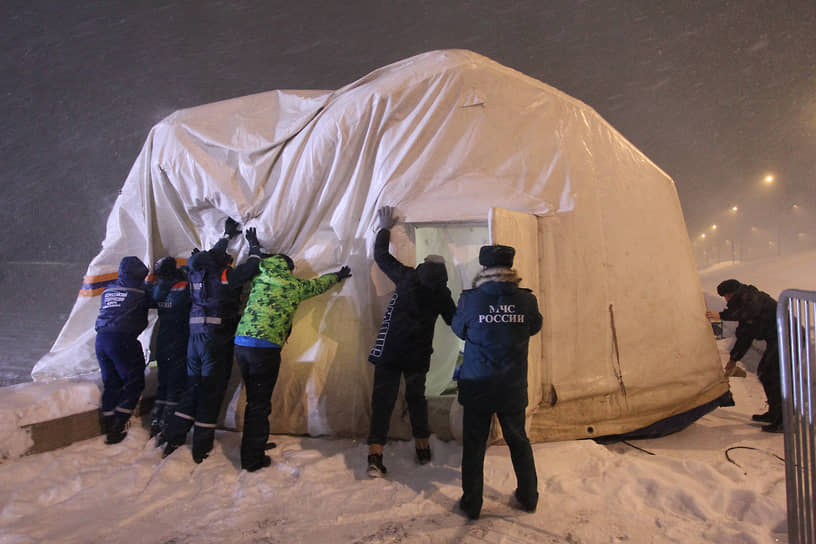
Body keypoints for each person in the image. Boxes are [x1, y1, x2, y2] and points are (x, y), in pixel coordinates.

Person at [233, 249, 351, 472]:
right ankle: (252, 458)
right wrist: (338, 275)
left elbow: (254, 260)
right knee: (259, 403)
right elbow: (317, 285)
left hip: (242, 344)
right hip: (264, 349)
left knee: (254, 399)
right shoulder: (293, 286)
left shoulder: (259, 277)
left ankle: (256, 442)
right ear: (289, 269)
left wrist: (254, 247)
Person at [451, 244, 542, 520]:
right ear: (510, 268)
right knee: (518, 441)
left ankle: (472, 503)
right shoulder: (526, 300)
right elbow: (535, 327)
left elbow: (458, 329)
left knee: (475, 445)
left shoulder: (470, 299)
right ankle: (528, 498)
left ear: (483, 268)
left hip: (478, 384)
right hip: (512, 385)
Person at [365, 206, 456, 477]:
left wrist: (384, 228)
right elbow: (454, 321)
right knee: (416, 399)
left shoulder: (407, 277)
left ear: (423, 265)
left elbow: (381, 257)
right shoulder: (442, 293)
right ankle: (423, 448)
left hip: (390, 351)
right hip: (418, 355)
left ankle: (375, 454)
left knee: (383, 400)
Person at [162, 218, 263, 462]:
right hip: (215, 340)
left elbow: (213, 255)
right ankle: (201, 446)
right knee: (210, 391)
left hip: (194, 339)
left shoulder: (197, 272)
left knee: (193, 387)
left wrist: (226, 238)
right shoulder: (225, 277)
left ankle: (173, 437)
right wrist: (254, 247)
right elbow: (250, 269)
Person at [706, 279, 783, 432]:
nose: (726, 300)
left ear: (731, 294)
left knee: (771, 375)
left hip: (787, 335)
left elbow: (749, 311)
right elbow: (744, 337)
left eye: (726, 297)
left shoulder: (752, 297)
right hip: (777, 338)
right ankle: (775, 414)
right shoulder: (745, 306)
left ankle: (781, 420)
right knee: (766, 373)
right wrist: (733, 360)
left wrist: (721, 315)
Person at [94, 256, 153, 444]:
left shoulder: (109, 289)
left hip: (101, 339)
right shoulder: (140, 291)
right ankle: (119, 425)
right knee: (133, 381)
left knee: (112, 382)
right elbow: (159, 300)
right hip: (122, 339)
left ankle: (108, 421)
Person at [149, 256, 191, 441]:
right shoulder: (181, 287)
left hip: (163, 341)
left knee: (163, 382)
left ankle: (156, 419)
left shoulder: (157, 289)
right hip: (178, 340)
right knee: (175, 384)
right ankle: (169, 422)